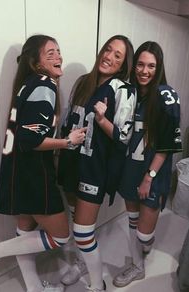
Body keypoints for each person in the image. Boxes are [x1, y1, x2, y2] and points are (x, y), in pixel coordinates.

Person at [0, 34, 86, 292]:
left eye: (59, 51)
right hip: (34, 172)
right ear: (36, 63)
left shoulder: (27, 84)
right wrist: (68, 141)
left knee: (24, 232)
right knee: (60, 237)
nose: (59, 57)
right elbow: (30, 139)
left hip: (17, 169)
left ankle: (34, 288)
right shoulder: (45, 85)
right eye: (50, 53)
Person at [58, 35, 137, 292]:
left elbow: (124, 137)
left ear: (124, 64)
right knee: (73, 219)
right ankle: (81, 263)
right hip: (71, 160)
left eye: (118, 55)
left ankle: (96, 284)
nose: (109, 57)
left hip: (94, 167)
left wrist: (103, 120)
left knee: (83, 232)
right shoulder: (84, 81)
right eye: (108, 50)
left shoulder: (124, 89)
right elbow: (70, 117)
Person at [112, 41, 182, 288]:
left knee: (143, 233)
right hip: (130, 168)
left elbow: (166, 145)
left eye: (151, 66)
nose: (144, 71)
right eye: (140, 64)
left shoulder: (167, 96)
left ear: (159, 67)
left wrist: (149, 176)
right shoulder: (129, 92)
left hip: (152, 173)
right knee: (132, 220)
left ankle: (145, 245)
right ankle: (137, 267)